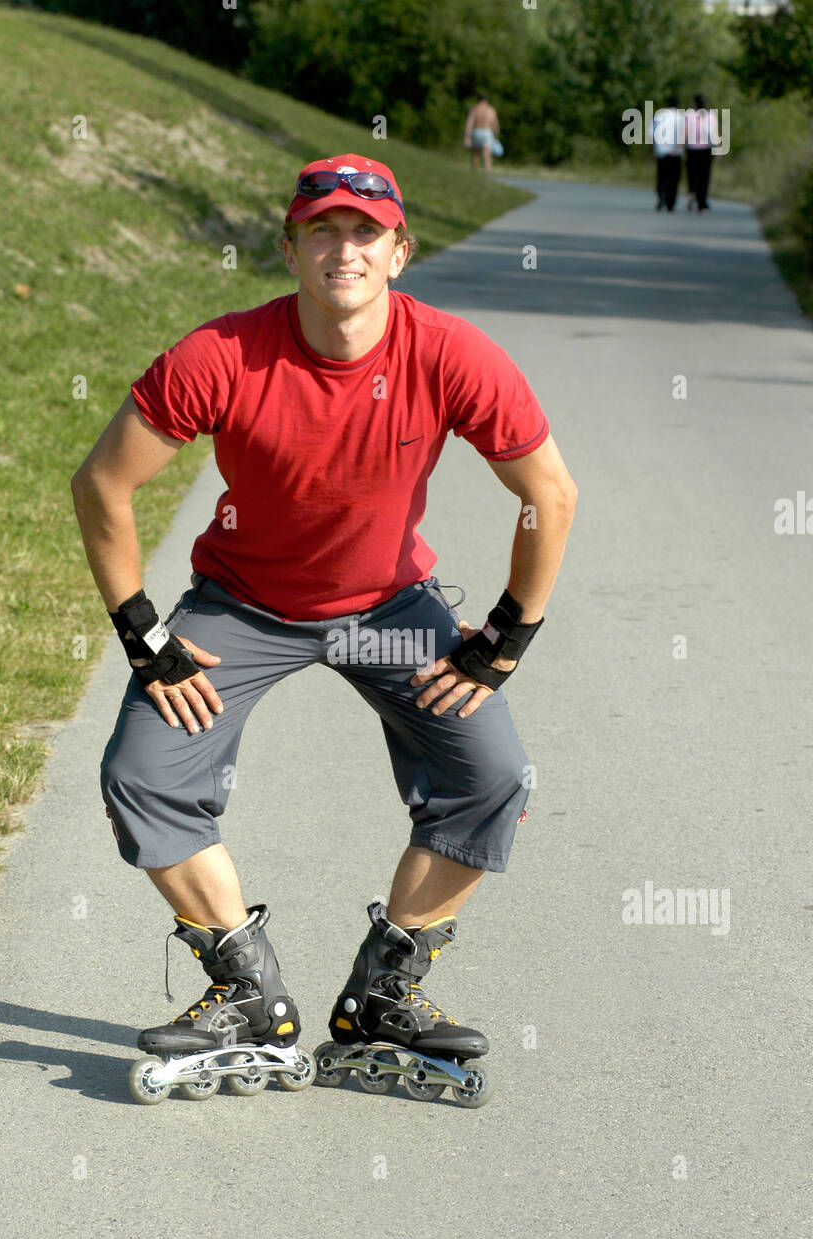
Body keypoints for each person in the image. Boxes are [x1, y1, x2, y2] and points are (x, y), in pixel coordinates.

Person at [71, 152, 577, 1106]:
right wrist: (145, 633)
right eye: (324, 231)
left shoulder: (449, 353)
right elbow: (102, 482)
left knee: (492, 774)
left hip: (388, 610)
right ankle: (246, 987)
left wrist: (507, 636)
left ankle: (387, 990)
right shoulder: (222, 354)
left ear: (399, 252)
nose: (345, 249)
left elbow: (548, 494)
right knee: (140, 773)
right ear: (292, 247)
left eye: (365, 233)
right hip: (240, 608)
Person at [650, 94, 685, 211]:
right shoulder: (680, 117)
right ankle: (671, 202)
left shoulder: (659, 115)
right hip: (676, 152)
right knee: (674, 178)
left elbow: (651, 134)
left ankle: (661, 196)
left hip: (661, 151)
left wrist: (653, 149)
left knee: (661, 176)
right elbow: (684, 134)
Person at [685, 94, 713, 213]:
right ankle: (702, 204)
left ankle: (692, 191)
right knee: (704, 176)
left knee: (692, 174)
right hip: (706, 149)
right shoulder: (710, 115)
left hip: (692, 149)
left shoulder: (689, 115)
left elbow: (685, 132)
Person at [464, 92, 500, 172]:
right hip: (487, 132)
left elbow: (469, 123)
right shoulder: (491, 110)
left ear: (478, 99)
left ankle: (474, 172)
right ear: (486, 99)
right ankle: (487, 173)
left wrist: (467, 137)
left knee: (475, 154)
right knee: (486, 155)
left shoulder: (475, 109)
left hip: (477, 131)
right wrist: (496, 136)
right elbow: (495, 124)